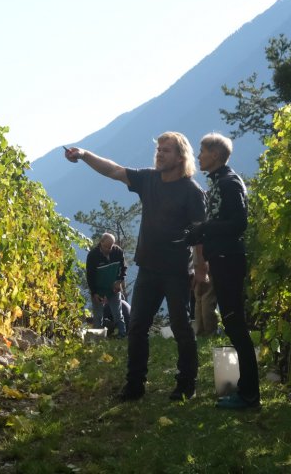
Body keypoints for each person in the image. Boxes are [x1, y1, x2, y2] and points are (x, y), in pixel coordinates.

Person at [65, 132, 207, 402]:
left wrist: (201, 269)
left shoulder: (192, 192)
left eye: (166, 150)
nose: (160, 153)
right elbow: (114, 169)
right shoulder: (148, 179)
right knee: (137, 327)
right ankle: (135, 384)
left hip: (177, 271)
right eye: (158, 149)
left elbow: (200, 234)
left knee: (181, 328)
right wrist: (84, 154)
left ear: (180, 156)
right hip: (148, 269)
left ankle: (187, 383)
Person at [187, 132, 260, 409]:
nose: (198, 156)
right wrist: (198, 236)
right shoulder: (218, 183)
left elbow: (239, 223)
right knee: (233, 325)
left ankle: (250, 396)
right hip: (222, 258)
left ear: (215, 155)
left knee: (236, 325)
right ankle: (245, 390)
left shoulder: (229, 183)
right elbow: (221, 223)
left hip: (230, 261)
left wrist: (204, 229)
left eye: (202, 151)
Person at [86, 233, 130, 338]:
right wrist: (94, 292)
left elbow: (123, 268)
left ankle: (122, 335)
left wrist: (119, 281)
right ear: (101, 242)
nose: (108, 249)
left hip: (113, 288)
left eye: (111, 247)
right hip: (99, 289)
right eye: (106, 246)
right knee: (98, 315)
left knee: (117, 313)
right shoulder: (93, 255)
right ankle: (98, 337)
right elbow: (90, 275)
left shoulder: (117, 251)